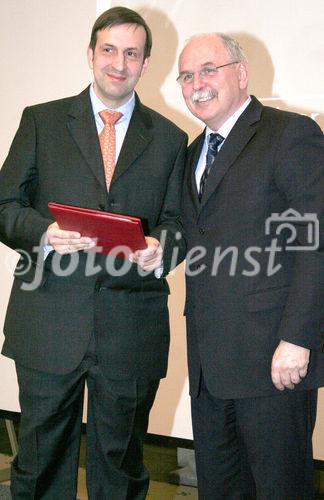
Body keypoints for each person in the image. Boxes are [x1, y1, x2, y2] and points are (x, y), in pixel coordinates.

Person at [0, 6, 187, 499]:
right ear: (90, 54)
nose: (119, 63)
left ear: (146, 63)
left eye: (132, 53)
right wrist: (42, 233)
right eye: (109, 49)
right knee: (39, 466)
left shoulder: (171, 139)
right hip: (49, 324)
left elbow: (180, 224)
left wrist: (161, 249)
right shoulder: (40, 121)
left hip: (130, 331)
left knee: (120, 469)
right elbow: (4, 206)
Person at [178, 33, 324, 499]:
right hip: (208, 369)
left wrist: (299, 339)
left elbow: (314, 243)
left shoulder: (290, 133)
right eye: (186, 75)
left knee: (280, 490)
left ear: (241, 74)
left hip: (273, 362)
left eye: (208, 70)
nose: (196, 83)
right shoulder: (190, 155)